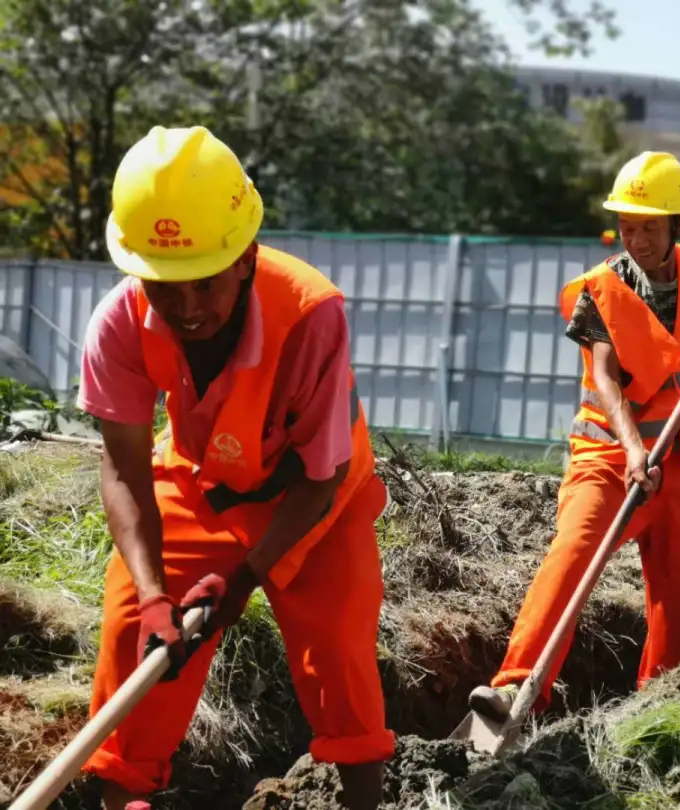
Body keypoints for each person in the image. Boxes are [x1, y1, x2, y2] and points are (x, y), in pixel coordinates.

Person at [77, 125, 393, 810]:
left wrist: (246, 577)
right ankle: (124, 794)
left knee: (337, 647)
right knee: (133, 631)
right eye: (165, 288)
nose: (186, 309)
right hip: (199, 486)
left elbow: (320, 477)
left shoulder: (310, 314)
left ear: (246, 257)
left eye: (204, 284)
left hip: (315, 494)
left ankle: (365, 797)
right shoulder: (120, 321)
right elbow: (126, 469)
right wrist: (157, 592)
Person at [467, 151, 680, 720]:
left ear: (677, 226)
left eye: (649, 227)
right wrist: (636, 450)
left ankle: (658, 709)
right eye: (627, 226)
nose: (635, 239)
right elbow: (606, 378)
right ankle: (516, 688)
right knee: (571, 558)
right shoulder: (602, 289)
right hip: (609, 458)